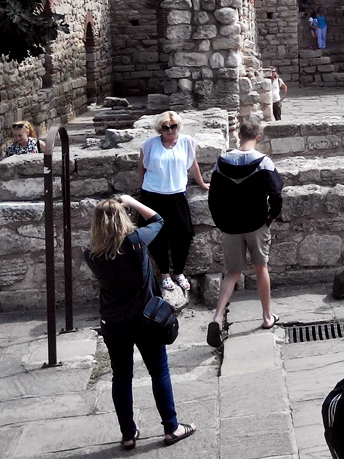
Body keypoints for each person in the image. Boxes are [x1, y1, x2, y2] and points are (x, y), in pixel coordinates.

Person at [84, 194, 197, 449]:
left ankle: (128, 434)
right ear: (122, 219)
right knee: (159, 371)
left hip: (113, 322)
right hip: (144, 319)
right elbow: (158, 220)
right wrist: (131, 201)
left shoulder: (91, 255)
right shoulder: (135, 241)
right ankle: (171, 427)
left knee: (121, 377)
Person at [206, 120, 283, 348]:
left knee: (232, 273)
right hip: (257, 224)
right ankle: (267, 317)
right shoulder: (263, 162)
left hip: (230, 226)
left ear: (239, 135)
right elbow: (276, 193)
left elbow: (213, 197)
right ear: (258, 137)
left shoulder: (221, 162)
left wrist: (220, 222)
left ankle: (217, 317)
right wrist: (271, 216)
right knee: (261, 269)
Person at [138, 112, 209, 293]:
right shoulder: (149, 145)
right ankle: (164, 274)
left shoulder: (186, 142)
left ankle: (178, 272)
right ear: (160, 129)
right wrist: (142, 190)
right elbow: (142, 167)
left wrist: (201, 183)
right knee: (157, 237)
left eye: (173, 126)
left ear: (178, 126)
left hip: (176, 194)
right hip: (153, 195)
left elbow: (192, 165)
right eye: (165, 127)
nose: (170, 130)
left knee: (183, 235)